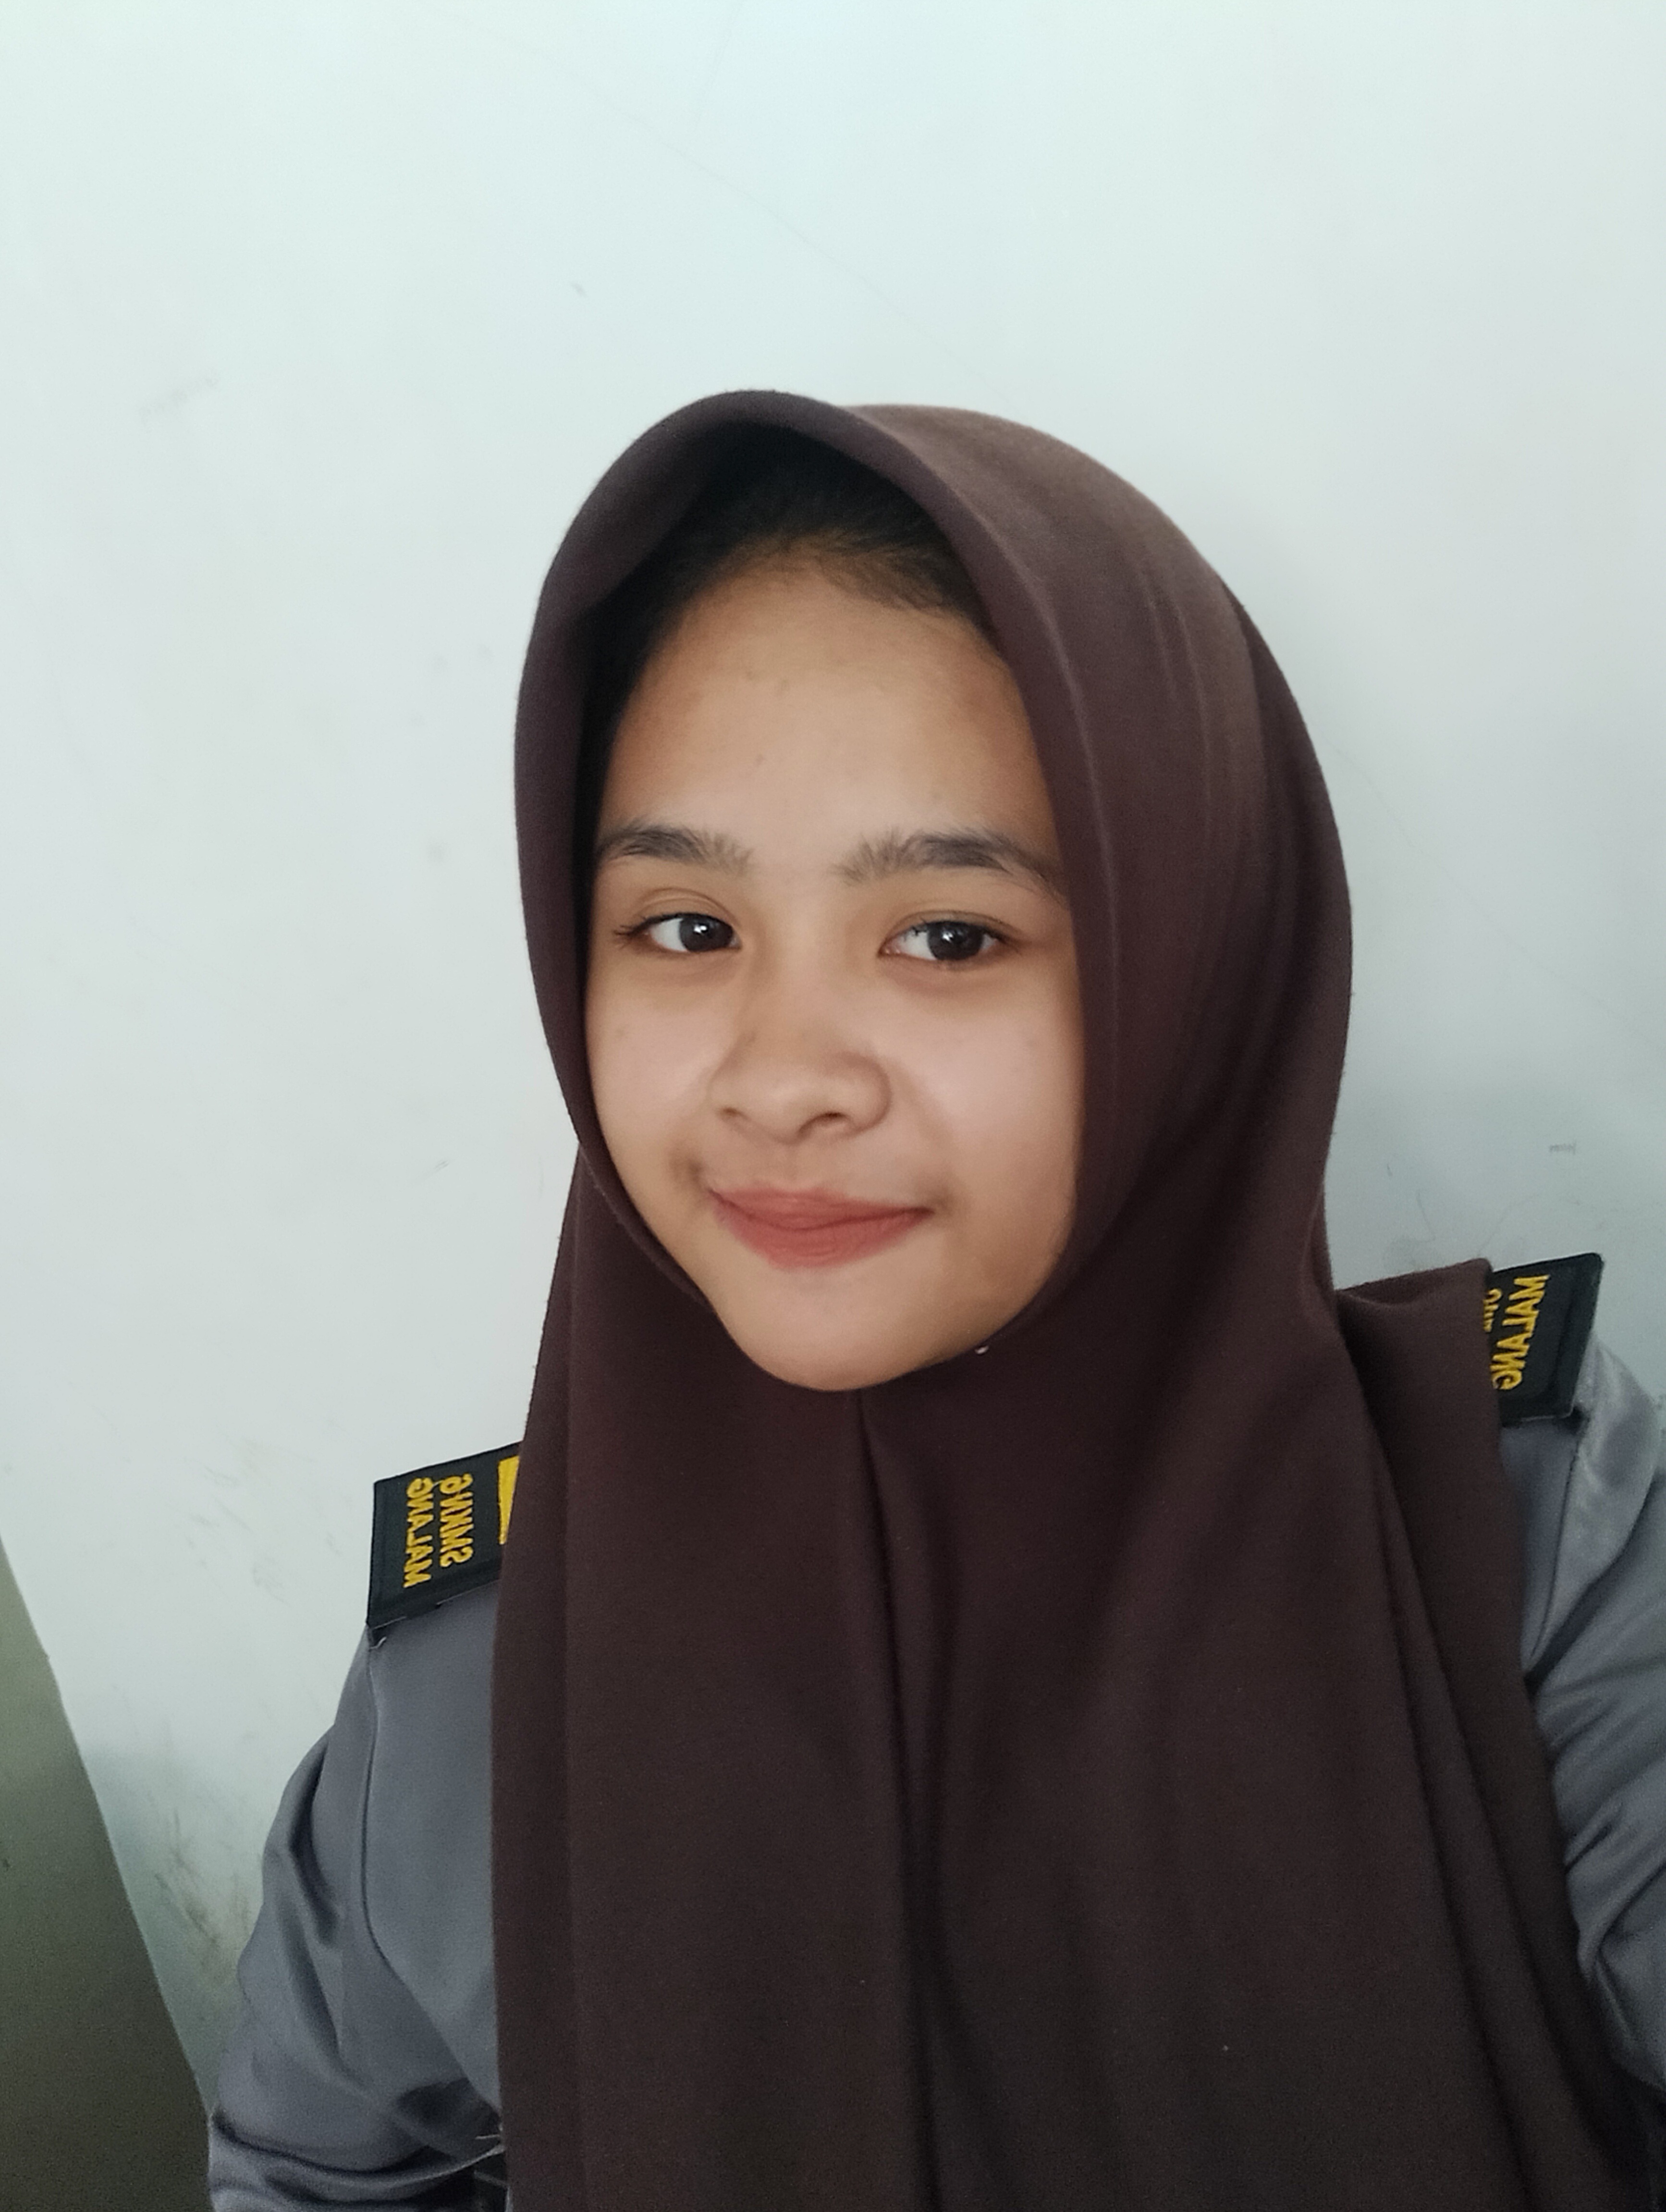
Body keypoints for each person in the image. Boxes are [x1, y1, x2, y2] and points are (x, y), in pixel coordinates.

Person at [209, 394, 1666, 2210]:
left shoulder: (1514, 1545)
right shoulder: (476, 1689)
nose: (780, 1078)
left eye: (947, 936)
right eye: (684, 927)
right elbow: (317, 2173)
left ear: (1196, 966)